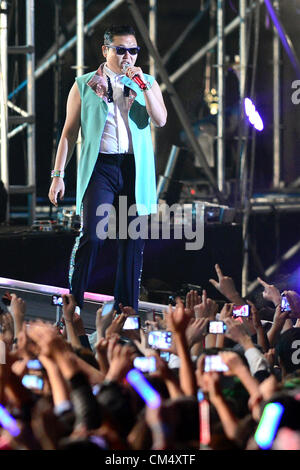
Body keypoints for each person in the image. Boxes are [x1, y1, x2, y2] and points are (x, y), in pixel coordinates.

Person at [48, 24, 167, 314]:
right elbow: (68, 132)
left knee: (132, 240)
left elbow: (161, 119)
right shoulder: (84, 84)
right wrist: (58, 175)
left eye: (133, 51)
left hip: (132, 168)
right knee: (94, 235)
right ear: (106, 50)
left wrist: (142, 86)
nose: (128, 57)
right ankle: (73, 305)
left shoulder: (147, 82)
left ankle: (126, 312)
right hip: (100, 167)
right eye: (121, 50)